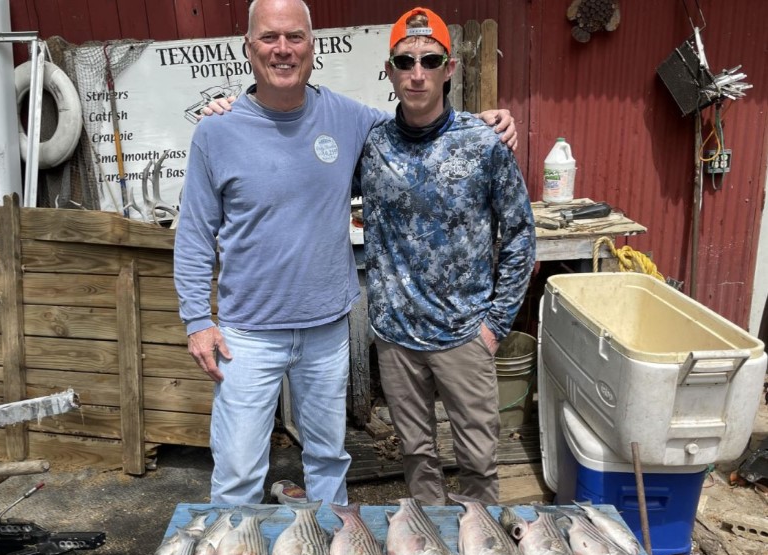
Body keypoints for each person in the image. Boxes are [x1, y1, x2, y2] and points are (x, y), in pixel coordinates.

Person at [176, 0, 518, 507]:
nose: (283, 49)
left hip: (327, 329)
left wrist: (483, 122)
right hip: (247, 335)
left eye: (295, 37)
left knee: (328, 462)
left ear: (313, 49)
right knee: (237, 473)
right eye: (269, 38)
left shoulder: (350, 119)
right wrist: (196, 319)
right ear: (248, 49)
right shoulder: (216, 132)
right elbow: (194, 233)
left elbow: (421, 122)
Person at [358, 7, 536, 505]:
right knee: (416, 455)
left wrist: (495, 325)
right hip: (396, 338)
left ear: (449, 68)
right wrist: (239, 103)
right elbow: (305, 141)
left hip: (465, 335)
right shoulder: (372, 146)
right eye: (406, 61)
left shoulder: (483, 143)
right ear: (390, 69)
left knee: (479, 460)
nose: (418, 73)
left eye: (430, 60)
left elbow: (521, 233)